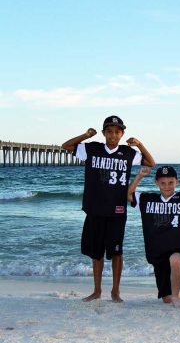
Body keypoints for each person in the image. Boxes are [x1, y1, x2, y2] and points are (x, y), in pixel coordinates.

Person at [61, 116, 156, 303]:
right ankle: (97, 290)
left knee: (116, 252)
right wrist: (85, 135)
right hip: (95, 208)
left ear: (122, 134)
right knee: (96, 253)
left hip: (117, 209)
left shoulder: (128, 152)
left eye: (117, 132)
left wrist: (139, 144)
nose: (113, 135)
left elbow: (151, 163)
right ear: (104, 132)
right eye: (110, 131)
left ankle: (115, 291)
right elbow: (66, 146)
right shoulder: (92, 149)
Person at [128, 166, 180, 307]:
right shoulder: (147, 199)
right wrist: (139, 176)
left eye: (171, 182)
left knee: (175, 259)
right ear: (156, 183)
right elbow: (128, 194)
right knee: (166, 299)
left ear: (177, 182)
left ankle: (176, 299)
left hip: (179, 249)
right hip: (157, 253)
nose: (167, 186)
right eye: (163, 183)